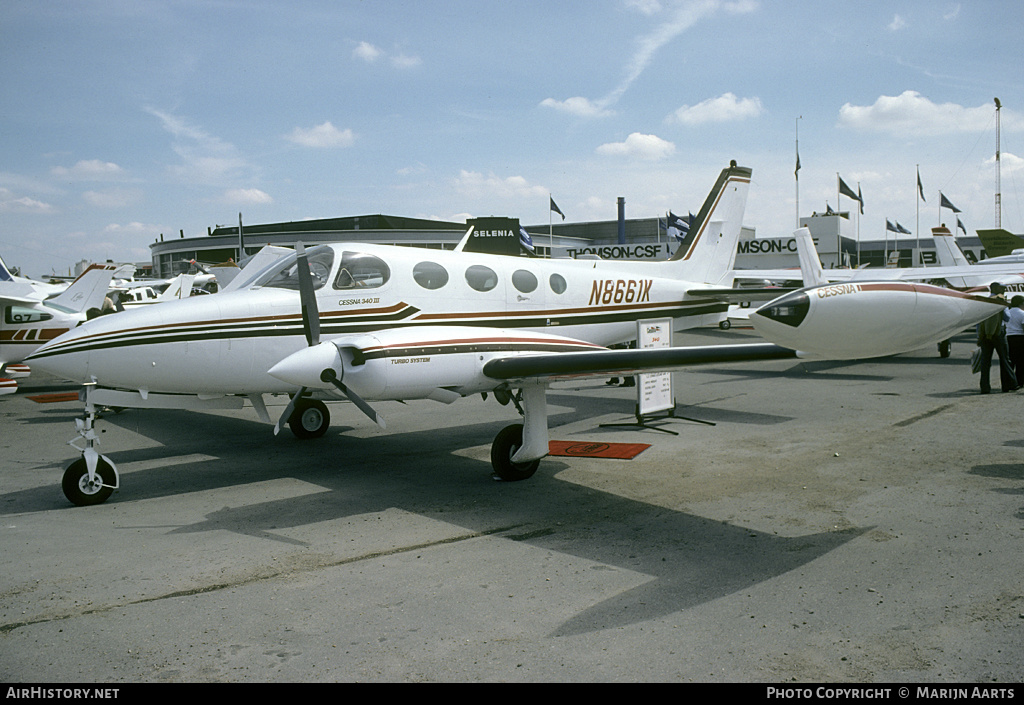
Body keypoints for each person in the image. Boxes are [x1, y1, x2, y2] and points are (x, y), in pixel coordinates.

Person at [976, 282, 1017, 394]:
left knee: (985, 362)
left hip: (985, 335)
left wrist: (979, 336)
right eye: (1002, 288)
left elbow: (979, 322)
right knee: (1004, 359)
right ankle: (1009, 385)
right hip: (998, 334)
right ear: (995, 288)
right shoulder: (999, 300)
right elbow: (1007, 318)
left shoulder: (984, 302)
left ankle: (984, 387)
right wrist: (1004, 305)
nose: (1004, 290)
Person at [1005, 294, 1024, 384]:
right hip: (1020, 338)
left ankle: (1009, 381)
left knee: (1010, 361)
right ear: (1021, 303)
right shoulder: (1022, 313)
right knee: (1020, 361)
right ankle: (1019, 381)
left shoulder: (1008, 312)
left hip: (1008, 337)